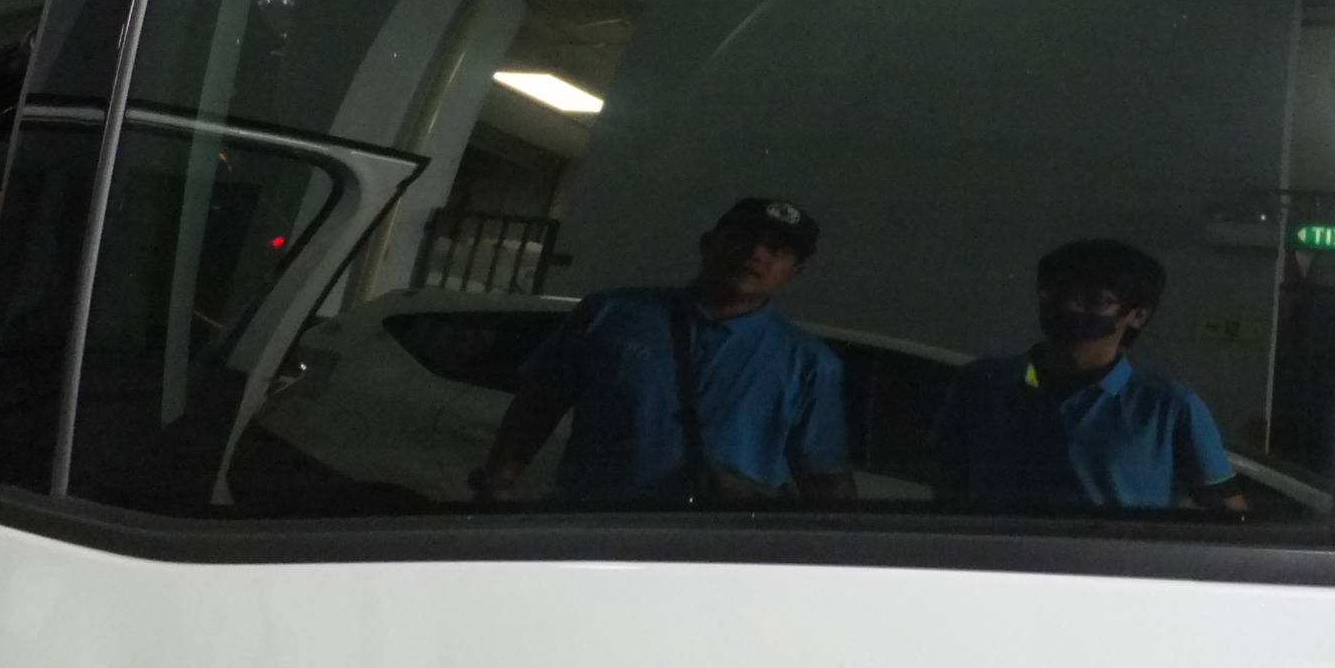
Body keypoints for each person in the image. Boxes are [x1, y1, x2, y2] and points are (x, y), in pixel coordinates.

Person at [470, 197, 854, 504]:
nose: (756, 253)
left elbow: (825, 478)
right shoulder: (610, 314)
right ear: (707, 243)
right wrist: (497, 483)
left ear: (795, 272)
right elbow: (538, 404)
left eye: (776, 249)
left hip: (714, 552)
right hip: (592, 527)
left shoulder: (810, 365)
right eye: (742, 237)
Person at [930, 238, 1247, 513]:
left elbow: (1228, 517)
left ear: (1137, 316)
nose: (1070, 307)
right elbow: (946, 489)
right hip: (1000, 560)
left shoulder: (1169, 407)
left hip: (1115, 564)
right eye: (1056, 293)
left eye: (1093, 299)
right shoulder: (981, 385)